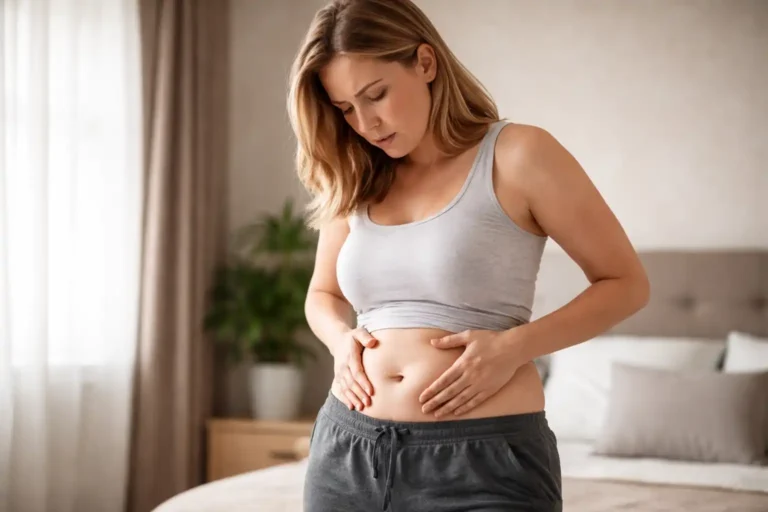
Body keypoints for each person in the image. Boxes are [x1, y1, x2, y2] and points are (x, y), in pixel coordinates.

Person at [287, 1, 649, 510]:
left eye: (377, 95)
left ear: (426, 63)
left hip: (484, 460)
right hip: (347, 452)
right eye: (345, 108)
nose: (365, 122)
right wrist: (339, 340)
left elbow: (626, 283)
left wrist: (515, 348)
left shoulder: (519, 155)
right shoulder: (355, 174)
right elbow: (322, 295)